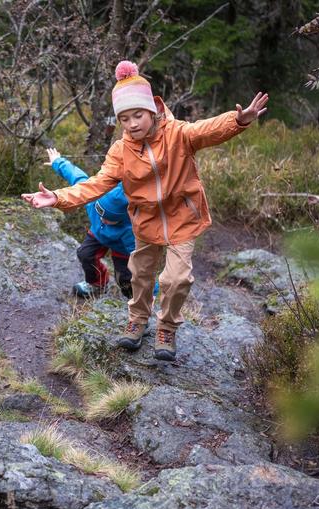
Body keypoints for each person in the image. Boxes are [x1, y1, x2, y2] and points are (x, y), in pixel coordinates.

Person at [23, 60, 268, 362]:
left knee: (176, 280)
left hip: (182, 217)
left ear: (151, 109)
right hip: (145, 222)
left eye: (137, 115)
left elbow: (207, 130)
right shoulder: (120, 151)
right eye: (124, 119)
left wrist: (239, 120)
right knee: (139, 275)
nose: (132, 123)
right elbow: (94, 184)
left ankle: (167, 327)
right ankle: (137, 319)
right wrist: (57, 198)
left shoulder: (178, 133)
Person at [45, 147, 134, 298]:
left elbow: (143, 264)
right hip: (98, 234)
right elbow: (77, 177)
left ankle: (136, 301)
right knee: (85, 254)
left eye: (110, 219)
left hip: (123, 247)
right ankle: (97, 284)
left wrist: (153, 291)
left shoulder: (131, 229)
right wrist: (57, 162)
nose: (103, 219)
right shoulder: (93, 201)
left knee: (125, 279)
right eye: (101, 214)